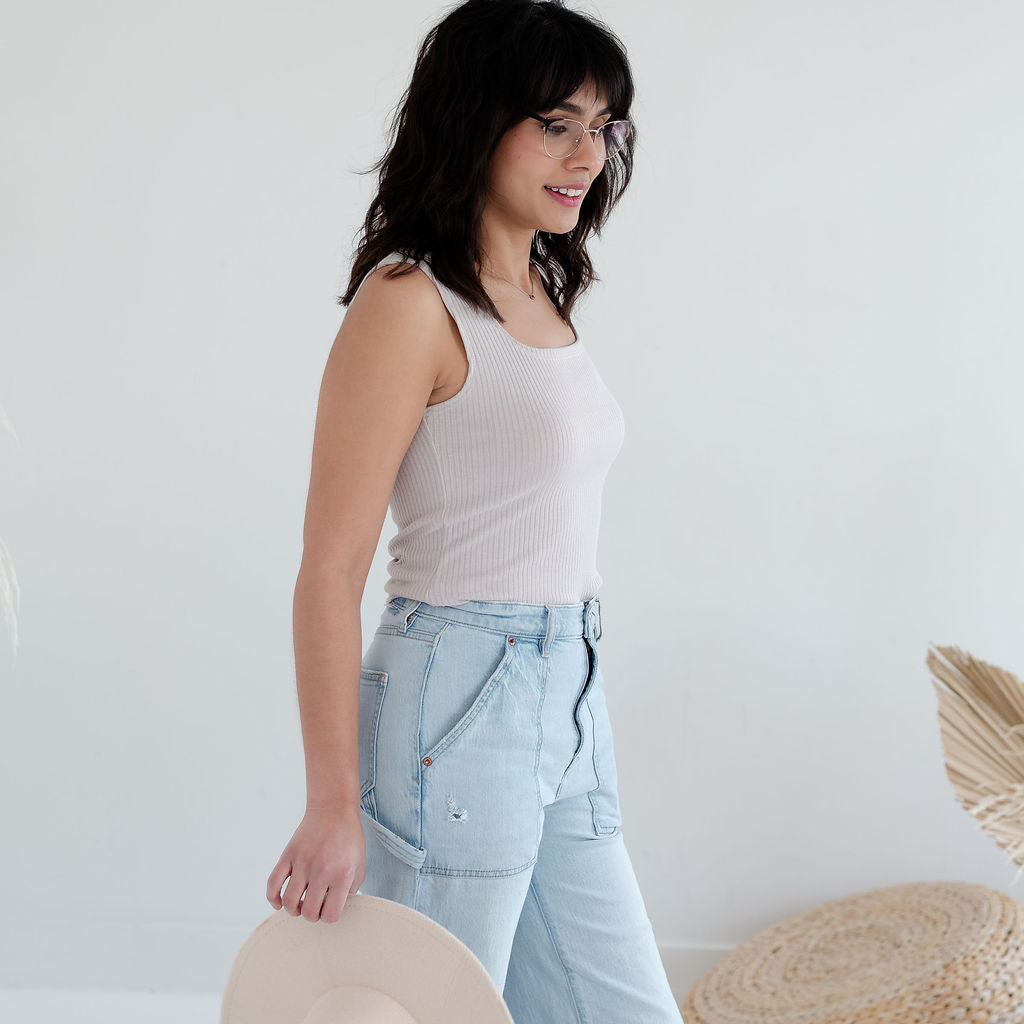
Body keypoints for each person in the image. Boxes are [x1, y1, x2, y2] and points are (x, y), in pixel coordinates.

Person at [266, 1, 684, 1020]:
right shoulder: (409, 302)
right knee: (442, 1005)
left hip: (569, 695)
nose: (588, 153)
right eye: (556, 121)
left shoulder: (540, 287)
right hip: (459, 695)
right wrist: (332, 803)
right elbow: (329, 568)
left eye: (605, 124)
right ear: (474, 118)